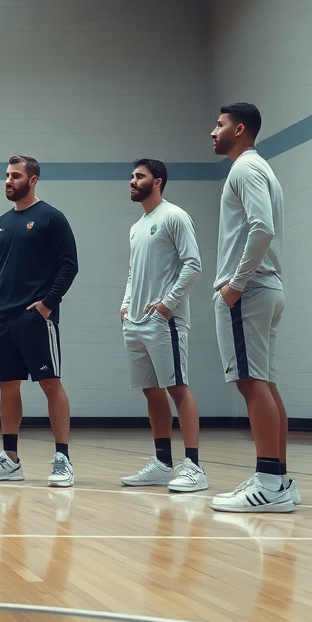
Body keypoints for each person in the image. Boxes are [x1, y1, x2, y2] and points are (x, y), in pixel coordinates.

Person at [209, 103, 297, 512]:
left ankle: (268, 483)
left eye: (220, 124)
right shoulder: (261, 168)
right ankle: (277, 479)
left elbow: (263, 228)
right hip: (265, 287)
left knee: (251, 383)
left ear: (239, 129)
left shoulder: (244, 169)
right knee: (265, 382)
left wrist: (234, 285)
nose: (214, 131)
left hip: (250, 290)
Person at [0, 156, 79, 488]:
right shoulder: (0, 223)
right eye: (6, 175)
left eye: (15, 175)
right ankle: (11, 459)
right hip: (3, 317)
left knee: (50, 384)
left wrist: (47, 305)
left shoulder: (51, 218)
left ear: (32, 180)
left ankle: (62, 458)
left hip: (35, 317)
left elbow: (69, 265)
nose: (8, 180)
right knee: (8, 387)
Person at [119, 159, 208, 492]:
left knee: (177, 389)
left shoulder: (174, 216)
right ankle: (161, 463)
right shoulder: (137, 226)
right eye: (132, 176)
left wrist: (167, 305)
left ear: (156, 182)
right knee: (150, 390)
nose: (132, 181)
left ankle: (194, 467)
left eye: (138, 176)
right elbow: (133, 272)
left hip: (164, 321)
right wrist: (126, 305)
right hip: (136, 321)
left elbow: (193, 265)